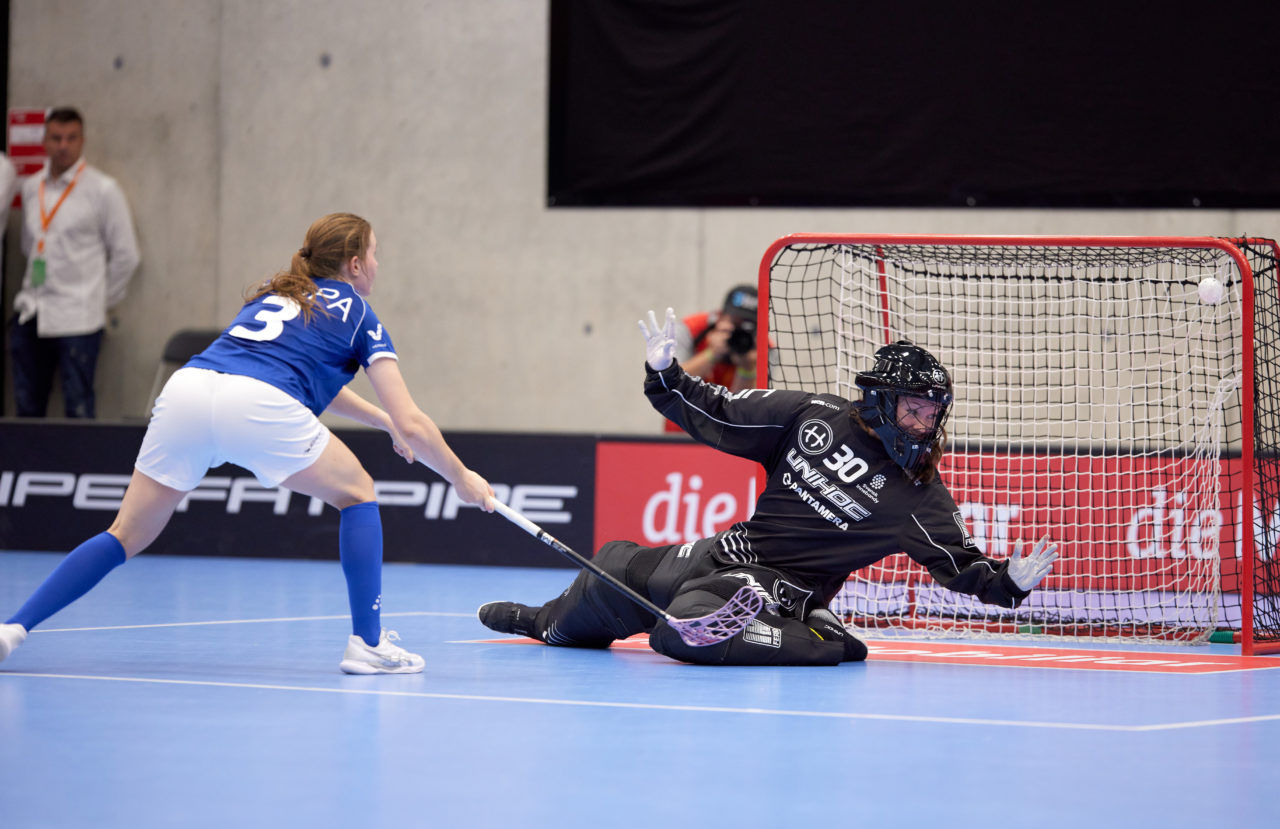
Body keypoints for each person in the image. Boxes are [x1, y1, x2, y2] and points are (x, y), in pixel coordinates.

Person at [0, 212, 495, 674]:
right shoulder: (361, 314)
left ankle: (12, 628)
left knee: (125, 533)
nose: (378, 265)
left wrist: (381, 422)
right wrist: (460, 476)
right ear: (355, 263)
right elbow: (414, 424)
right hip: (259, 406)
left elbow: (317, 379)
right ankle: (367, 644)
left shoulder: (280, 292)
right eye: (375, 254)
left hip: (189, 392)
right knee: (358, 493)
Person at [478, 308, 1058, 665]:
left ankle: (830, 643)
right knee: (613, 568)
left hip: (782, 589)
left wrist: (1009, 581)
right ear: (880, 402)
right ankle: (540, 622)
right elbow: (720, 410)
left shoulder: (917, 496)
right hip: (727, 553)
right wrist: (666, 374)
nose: (925, 425)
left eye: (933, 414)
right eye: (914, 410)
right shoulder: (812, 416)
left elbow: (961, 566)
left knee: (685, 628)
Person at [10, 106, 140, 418]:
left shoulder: (102, 190)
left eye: (71, 138)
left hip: (78, 319)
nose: (63, 145)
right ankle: (27, 468)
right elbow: (31, 247)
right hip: (32, 310)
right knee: (27, 409)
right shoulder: (32, 187)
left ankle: (78, 469)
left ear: (82, 141)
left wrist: (97, 300)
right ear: (45, 141)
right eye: (56, 138)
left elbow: (126, 255)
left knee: (78, 408)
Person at [663, 284, 759, 432]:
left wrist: (746, 368)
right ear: (720, 317)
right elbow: (669, 383)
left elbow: (740, 413)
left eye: (747, 326)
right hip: (681, 429)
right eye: (734, 323)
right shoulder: (690, 329)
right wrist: (712, 354)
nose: (739, 332)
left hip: (725, 436)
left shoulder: (763, 349)